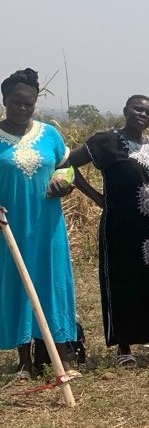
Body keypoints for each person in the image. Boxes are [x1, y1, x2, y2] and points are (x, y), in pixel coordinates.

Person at [67, 95, 149, 367]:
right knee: (124, 280)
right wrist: (96, 197)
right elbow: (68, 162)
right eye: (137, 109)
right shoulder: (105, 141)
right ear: (125, 110)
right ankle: (124, 346)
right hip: (121, 226)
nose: (143, 114)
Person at [0, 68, 78, 379]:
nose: (22, 107)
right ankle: (24, 362)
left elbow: (66, 168)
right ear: (5, 100)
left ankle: (61, 358)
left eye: (29, 103)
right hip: (10, 225)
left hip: (48, 225)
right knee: (18, 283)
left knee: (52, 283)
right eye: (16, 101)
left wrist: (64, 184)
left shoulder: (50, 135)